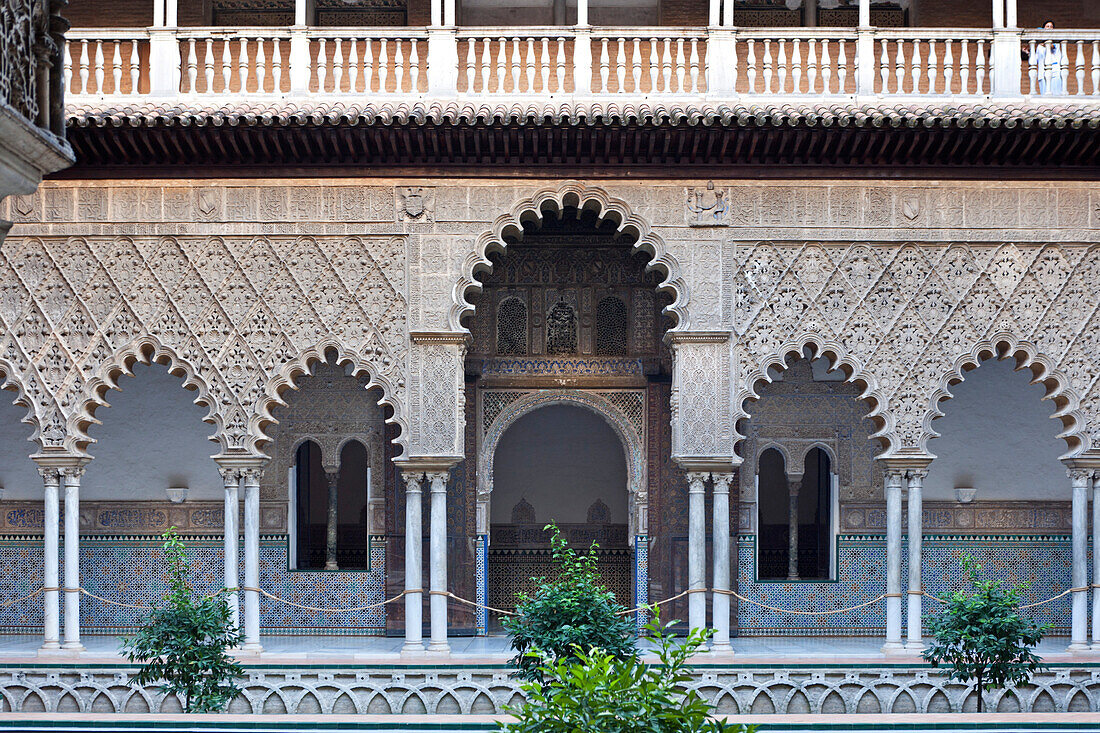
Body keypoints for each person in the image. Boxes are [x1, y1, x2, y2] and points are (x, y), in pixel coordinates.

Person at [1033, 21, 1066, 95]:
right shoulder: (1039, 46)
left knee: (1056, 94)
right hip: (1042, 73)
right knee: (1044, 94)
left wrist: (1042, 42)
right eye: (1047, 26)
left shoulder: (1055, 41)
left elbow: (1051, 46)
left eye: (1051, 26)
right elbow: (1036, 58)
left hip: (1054, 72)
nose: (1049, 28)